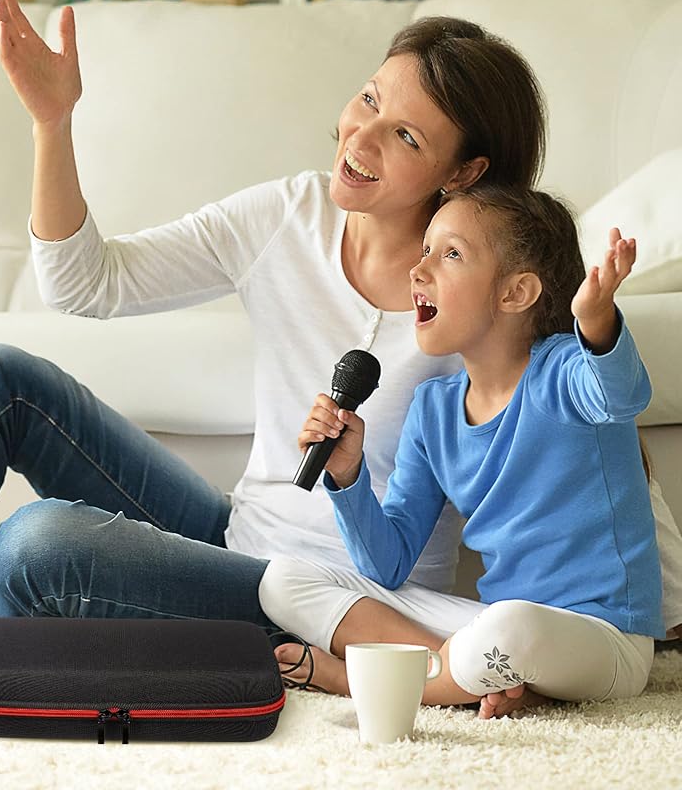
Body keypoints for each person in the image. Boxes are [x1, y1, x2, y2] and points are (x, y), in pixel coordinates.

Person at [0, 0, 680, 677]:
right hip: (233, 535)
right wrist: (52, 124)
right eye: (370, 101)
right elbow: (86, 282)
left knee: (35, 544)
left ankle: (30, 686)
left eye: (407, 136)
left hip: (334, 597)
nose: (360, 140)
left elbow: (590, 436)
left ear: (463, 173)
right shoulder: (289, 215)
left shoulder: (483, 305)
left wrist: (634, 624)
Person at [259, 186, 664, 718]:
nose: (418, 268)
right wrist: (348, 475)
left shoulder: (566, 372)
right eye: (425, 249)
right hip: (497, 625)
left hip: (604, 638)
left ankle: (361, 679)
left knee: (509, 628)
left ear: (516, 293)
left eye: (449, 254)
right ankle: (476, 675)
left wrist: (596, 321)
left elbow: (623, 395)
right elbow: (387, 563)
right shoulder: (433, 409)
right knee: (284, 580)